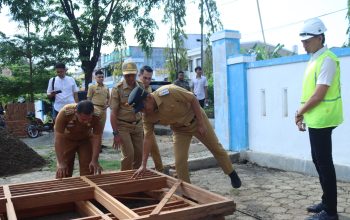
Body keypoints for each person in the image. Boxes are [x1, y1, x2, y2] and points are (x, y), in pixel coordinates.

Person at [129, 85, 242, 188]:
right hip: (180, 130)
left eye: (143, 108)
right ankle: (188, 190)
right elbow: (147, 138)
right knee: (179, 162)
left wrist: (201, 123)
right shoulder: (146, 117)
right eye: (140, 110)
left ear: (148, 97)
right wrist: (143, 165)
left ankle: (231, 173)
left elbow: (192, 99)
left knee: (216, 148)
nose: (143, 112)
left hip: (196, 121)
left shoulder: (169, 92)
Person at [295, 18, 342, 220]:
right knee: (319, 160)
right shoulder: (315, 58)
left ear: (320, 38)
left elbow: (319, 94)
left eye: (308, 40)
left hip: (324, 118)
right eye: (303, 41)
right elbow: (310, 93)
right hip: (315, 117)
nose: (304, 44)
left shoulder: (328, 59)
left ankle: (331, 211)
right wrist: (303, 113)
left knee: (324, 163)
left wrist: (299, 112)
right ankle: (326, 201)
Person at [54, 100, 103, 178]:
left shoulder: (97, 115)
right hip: (67, 140)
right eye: (83, 119)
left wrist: (94, 160)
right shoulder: (64, 113)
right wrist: (60, 162)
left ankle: (87, 189)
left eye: (89, 119)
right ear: (76, 113)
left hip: (85, 140)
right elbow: (58, 138)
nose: (86, 121)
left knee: (88, 170)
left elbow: (97, 137)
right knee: (63, 170)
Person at [110, 61, 143, 171]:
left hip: (138, 125)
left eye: (132, 75)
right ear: (123, 75)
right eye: (127, 75)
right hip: (123, 126)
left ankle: (135, 181)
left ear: (136, 73)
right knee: (129, 155)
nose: (130, 78)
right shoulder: (117, 89)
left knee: (139, 155)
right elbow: (113, 113)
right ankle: (124, 180)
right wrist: (115, 133)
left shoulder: (141, 86)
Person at [139, 65, 164, 173]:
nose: (147, 80)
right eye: (145, 78)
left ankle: (161, 171)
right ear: (139, 76)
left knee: (154, 148)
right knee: (135, 153)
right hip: (134, 125)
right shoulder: (135, 89)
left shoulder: (149, 89)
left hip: (146, 123)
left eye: (149, 78)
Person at [87, 70, 110, 148]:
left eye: (102, 77)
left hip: (103, 110)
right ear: (95, 77)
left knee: (101, 127)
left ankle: (99, 144)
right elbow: (88, 99)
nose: (101, 78)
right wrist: (89, 110)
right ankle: (91, 144)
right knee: (93, 127)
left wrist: (107, 105)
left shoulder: (106, 87)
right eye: (99, 77)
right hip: (94, 109)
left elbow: (109, 98)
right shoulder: (92, 87)